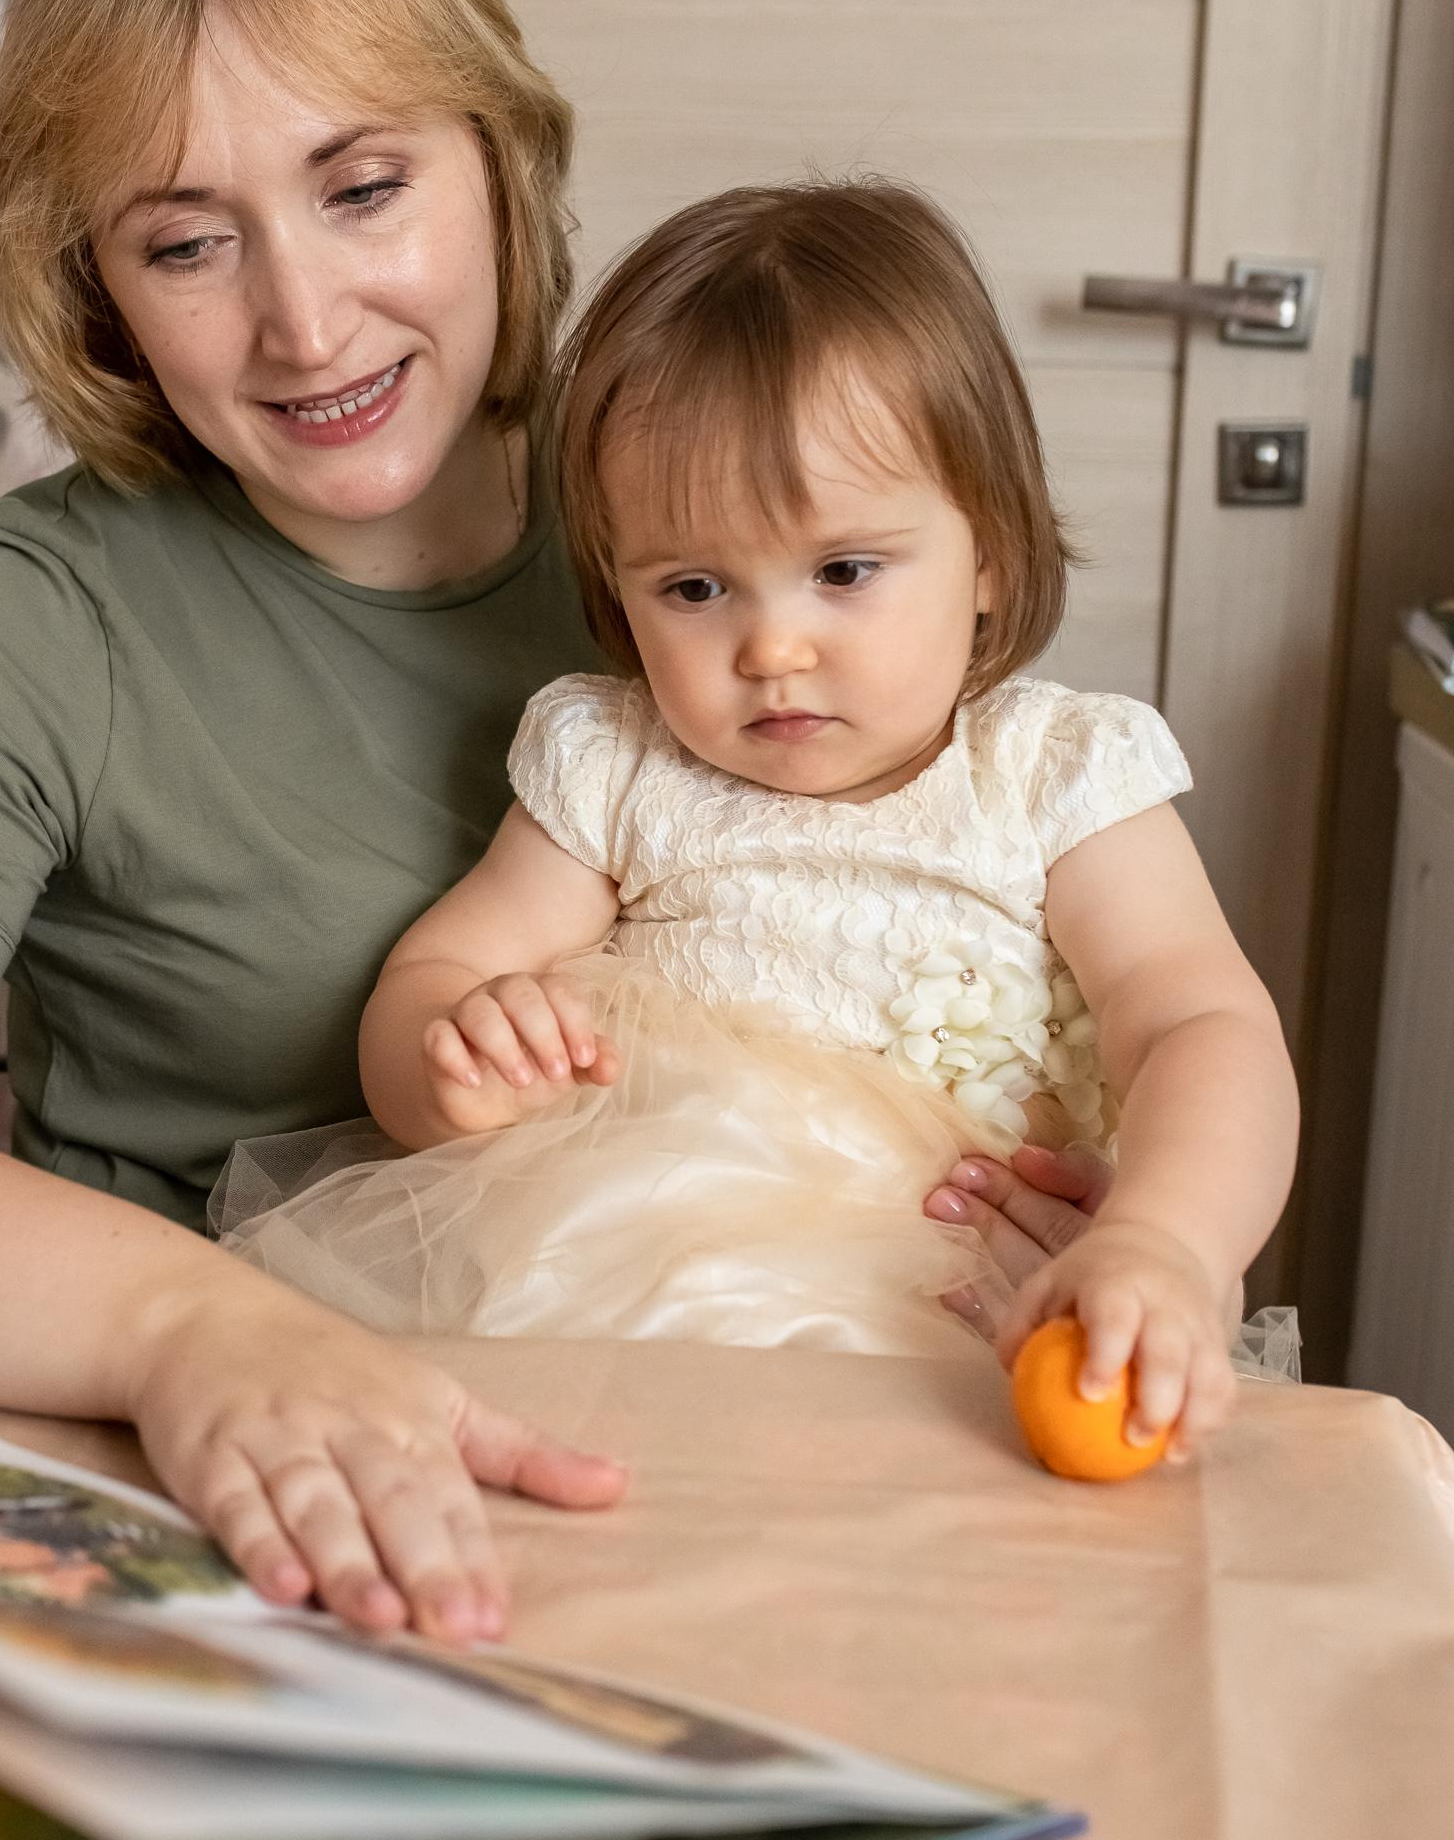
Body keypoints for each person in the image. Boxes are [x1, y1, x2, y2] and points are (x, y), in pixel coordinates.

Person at [0, 0, 1102, 1641]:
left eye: (362, 188)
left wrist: (1071, 1189)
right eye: (186, 241)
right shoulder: (45, 617)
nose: (304, 321)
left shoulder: (720, 528)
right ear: (102, 292)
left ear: (497, 161)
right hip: (290, 1539)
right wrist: (183, 1327)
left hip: (828, 1452)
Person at [223, 182, 1298, 1454]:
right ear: (620, 596)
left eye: (843, 571)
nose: (770, 647)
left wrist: (1160, 1240)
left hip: (959, 1317)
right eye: (692, 586)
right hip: (627, 1302)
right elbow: (441, 970)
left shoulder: (1052, 775)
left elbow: (1197, 1024)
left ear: (989, 555)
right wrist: (450, 1061)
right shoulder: (613, 764)